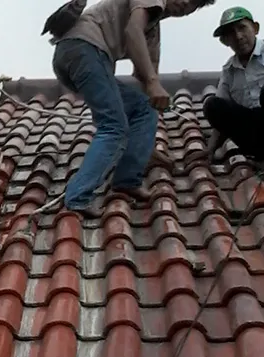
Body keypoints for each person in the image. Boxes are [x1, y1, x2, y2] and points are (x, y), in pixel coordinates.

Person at [51, 0, 216, 219]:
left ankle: (126, 180)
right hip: (83, 48)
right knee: (114, 126)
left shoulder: (152, 33)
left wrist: (143, 147)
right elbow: (133, 31)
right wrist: (153, 82)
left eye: (194, 4)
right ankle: (77, 198)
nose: (186, 3)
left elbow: (145, 82)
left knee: (143, 107)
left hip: (73, 58)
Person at [202, 6, 264, 163]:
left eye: (242, 28)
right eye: (230, 33)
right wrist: (209, 150)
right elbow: (222, 121)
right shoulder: (229, 71)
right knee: (213, 105)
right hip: (258, 134)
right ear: (224, 41)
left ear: (255, 28)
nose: (238, 36)